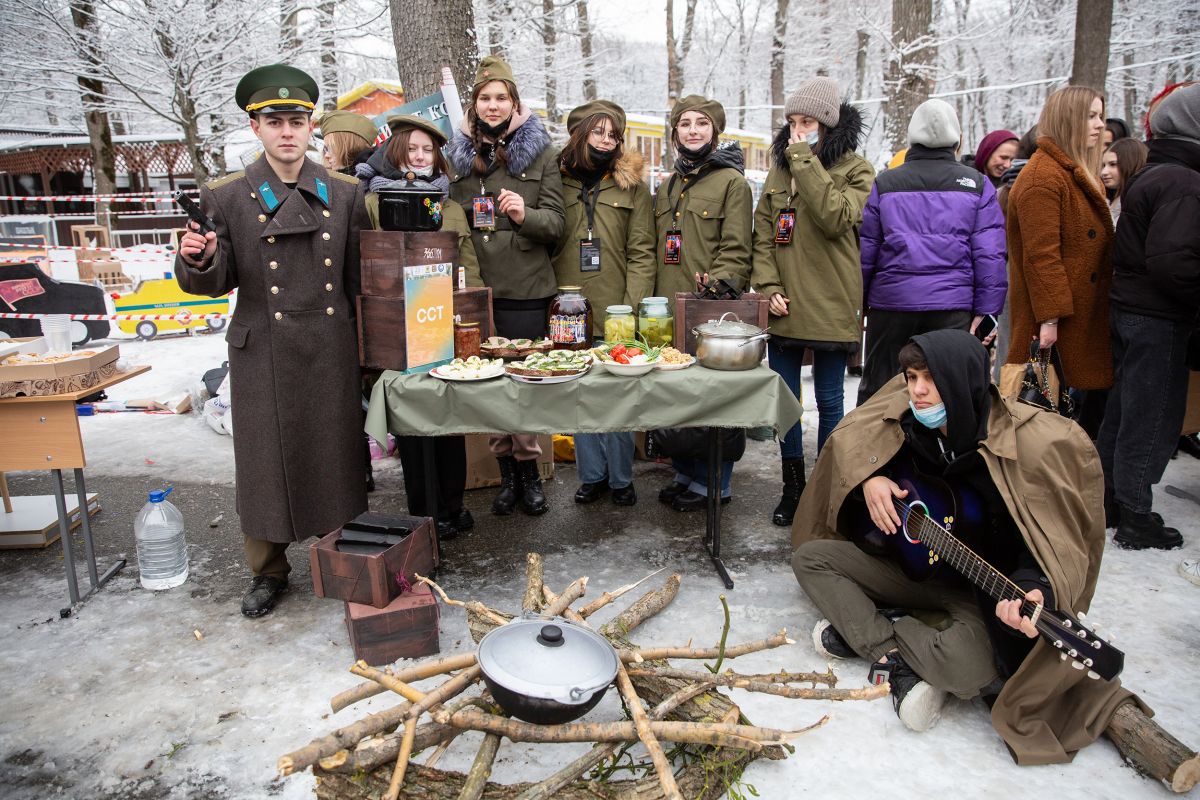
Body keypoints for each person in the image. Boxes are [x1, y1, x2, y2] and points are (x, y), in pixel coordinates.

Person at [792, 330, 1141, 756]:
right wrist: (871, 479)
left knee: (967, 672)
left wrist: (1037, 591)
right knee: (811, 559)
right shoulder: (907, 427)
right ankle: (893, 651)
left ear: (959, 381)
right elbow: (860, 447)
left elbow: (1039, 546)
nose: (916, 391)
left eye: (929, 379)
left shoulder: (1014, 451)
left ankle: (877, 631)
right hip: (912, 567)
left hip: (978, 591)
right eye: (910, 377)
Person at [176, 64, 368, 617]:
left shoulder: (346, 192)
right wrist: (199, 257)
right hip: (262, 349)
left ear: (312, 129)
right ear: (255, 128)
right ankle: (268, 571)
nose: (287, 132)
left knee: (334, 453)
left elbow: (358, 280)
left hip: (330, 343)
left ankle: (341, 553)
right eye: (274, 121)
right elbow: (213, 279)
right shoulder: (227, 196)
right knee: (264, 464)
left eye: (297, 121)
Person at [750, 77, 874, 526]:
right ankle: (792, 487)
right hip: (786, 303)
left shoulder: (857, 169)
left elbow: (836, 217)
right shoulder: (779, 169)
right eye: (793, 122)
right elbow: (764, 233)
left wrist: (803, 160)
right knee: (785, 401)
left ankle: (825, 490)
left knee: (829, 400)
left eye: (809, 123)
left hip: (831, 303)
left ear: (829, 124)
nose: (799, 131)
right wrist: (767, 287)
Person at [447, 55, 565, 516]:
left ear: (515, 104)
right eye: (484, 98)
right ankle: (506, 473)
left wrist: (523, 214)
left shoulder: (542, 153)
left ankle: (531, 472)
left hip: (526, 287)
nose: (492, 106)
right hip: (477, 288)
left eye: (501, 98)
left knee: (523, 385)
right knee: (487, 385)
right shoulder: (456, 156)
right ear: (474, 105)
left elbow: (556, 224)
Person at [356, 114, 481, 540]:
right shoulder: (373, 202)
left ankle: (453, 503)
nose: (421, 156)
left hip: (445, 326)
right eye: (412, 149)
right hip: (399, 329)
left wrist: (473, 317)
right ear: (395, 154)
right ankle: (425, 510)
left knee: (449, 415)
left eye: (428, 150)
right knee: (413, 423)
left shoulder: (449, 207)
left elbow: (469, 268)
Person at [1098, 82, 1200, 551]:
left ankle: (1111, 501)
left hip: (1133, 308)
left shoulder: (1156, 173)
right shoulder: (1182, 180)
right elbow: (1173, 260)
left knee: (1124, 411)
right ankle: (1136, 515)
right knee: (1152, 415)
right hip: (1158, 315)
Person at [858, 99, 1007, 404]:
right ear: (956, 138)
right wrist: (987, 312)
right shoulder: (977, 185)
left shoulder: (886, 183)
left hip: (891, 305)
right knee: (948, 390)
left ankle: (873, 449)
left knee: (881, 390)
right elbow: (989, 254)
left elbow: (866, 251)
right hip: (952, 307)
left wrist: (860, 303)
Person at [551, 100, 656, 507]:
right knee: (581, 397)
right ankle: (592, 476)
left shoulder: (632, 186)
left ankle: (622, 478)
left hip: (615, 311)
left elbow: (643, 251)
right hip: (568, 309)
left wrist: (630, 310)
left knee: (616, 399)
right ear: (579, 134)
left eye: (613, 134)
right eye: (598, 132)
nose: (606, 140)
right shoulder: (554, 182)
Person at [652, 95, 752, 511]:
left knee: (712, 399)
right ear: (675, 131)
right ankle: (685, 473)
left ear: (716, 131)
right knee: (676, 397)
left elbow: (738, 249)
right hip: (669, 307)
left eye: (702, 124)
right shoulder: (670, 184)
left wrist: (714, 287)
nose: (693, 130)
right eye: (685, 123)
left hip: (711, 311)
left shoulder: (733, 183)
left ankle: (715, 484)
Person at [1005, 86, 1113, 439]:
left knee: (1068, 424)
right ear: (1068, 119)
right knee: (1043, 424)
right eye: (1091, 116)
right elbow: (1041, 256)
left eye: (1100, 115)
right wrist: (1049, 320)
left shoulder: (1076, 172)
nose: (1100, 124)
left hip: (1078, 317)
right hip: (1056, 325)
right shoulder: (1043, 177)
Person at [1099, 138, 1149, 223]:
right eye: (1103, 165)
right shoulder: (1113, 199)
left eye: (1113, 164)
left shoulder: (1139, 202)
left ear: (1131, 164)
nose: (1103, 172)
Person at [318, 110, 379, 175]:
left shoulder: (373, 181)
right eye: (326, 149)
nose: (326, 155)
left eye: (331, 148)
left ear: (348, 146)